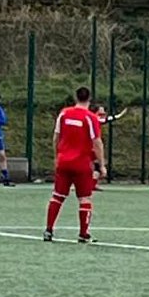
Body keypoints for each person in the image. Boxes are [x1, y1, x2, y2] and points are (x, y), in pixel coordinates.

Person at [44, 86, 105, 243]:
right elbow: (97, 142)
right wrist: (102, 164)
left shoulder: (64, 113)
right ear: (89, 99)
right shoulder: (90, 117)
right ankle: (83, 234)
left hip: (63, 162)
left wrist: (57, 156)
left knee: (57, 196)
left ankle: (48, 230)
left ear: (75, 97)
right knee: (85, 198)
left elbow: (55, 137)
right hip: (82, 164)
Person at [91, 104, 126, 190]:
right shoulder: (95, 118)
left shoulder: (93, 118)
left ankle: (92, 185)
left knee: (96, 165)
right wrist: (119, 115)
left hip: (93, 143)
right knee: (95, 165)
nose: (104, 111)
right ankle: (86, 185)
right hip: (92, 144)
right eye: (102, 109)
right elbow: (106, 120)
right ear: (97, 110)